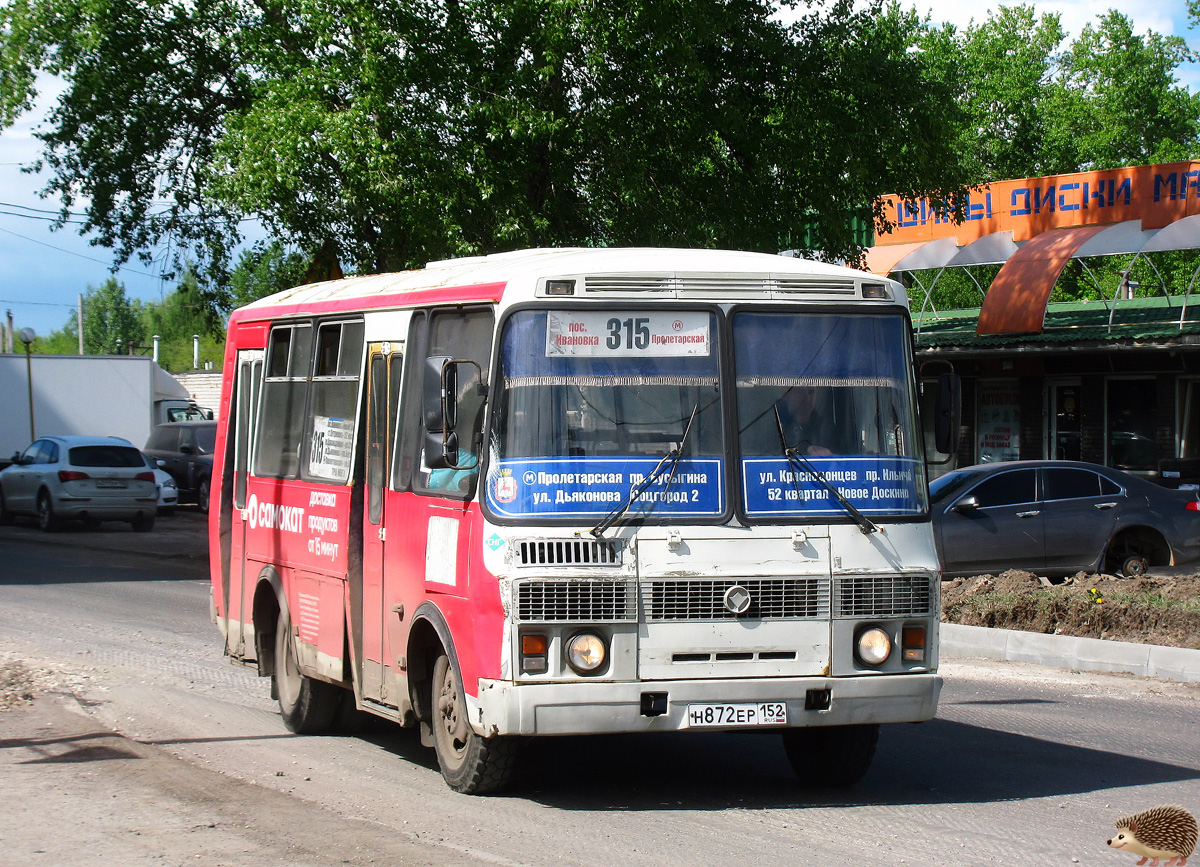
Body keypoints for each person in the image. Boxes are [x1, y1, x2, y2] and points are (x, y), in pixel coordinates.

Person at [772, 385, 834, 456]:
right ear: (786, 395)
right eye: (800, 392)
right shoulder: (774, 424)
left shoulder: (826, 427)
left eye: (811, 392)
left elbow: (841, 459)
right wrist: (807, 449)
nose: (807, 398)